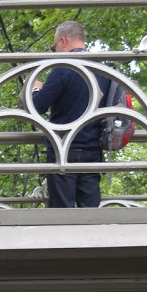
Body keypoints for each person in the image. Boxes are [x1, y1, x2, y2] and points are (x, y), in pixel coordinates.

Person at [31, 20, 107, 209]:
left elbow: (37, 107)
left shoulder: (62, 69)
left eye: (54, 45)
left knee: (62, 211)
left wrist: (35, 89)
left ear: (63, 41)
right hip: (93, 149)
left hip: (63, 149)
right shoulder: (102, 70)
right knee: (90, 212)